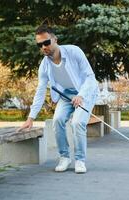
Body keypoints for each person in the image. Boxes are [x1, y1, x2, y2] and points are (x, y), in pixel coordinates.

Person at [17, 24, 99, 174]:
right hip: (66, 95)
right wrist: (30, 118)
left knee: (78, 122)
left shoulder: (74, 52)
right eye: (39, 45)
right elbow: (40, 91)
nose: (43, 47)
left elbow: (90, 77)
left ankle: (80, 160)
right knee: (58, 120)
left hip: (85, 92)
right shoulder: (44, 66)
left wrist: (81, 95)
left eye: (46, 42)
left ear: (55, 39)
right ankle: (64, 157)